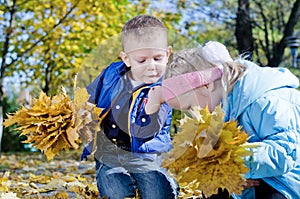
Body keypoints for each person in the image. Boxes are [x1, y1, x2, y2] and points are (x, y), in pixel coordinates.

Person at [156, 41, 300, 199]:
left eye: (191, 106)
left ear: (206, 86)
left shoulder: (266, 101)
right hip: (262, 177)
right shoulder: (224, 111)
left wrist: (233, 164)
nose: (193, 113)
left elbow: (285, 153)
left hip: (288, 182)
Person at [80, 15, 179, 199]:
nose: (151, 66)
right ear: (126, 58)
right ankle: (125, 181)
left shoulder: (165, 87)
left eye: (157, 58)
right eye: (141, 60)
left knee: (157, 193)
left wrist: (153, 105)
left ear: (167, 54)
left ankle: (168, 183)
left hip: (146, 154)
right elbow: (87, 98)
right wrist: (77, 112)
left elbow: (149, 130)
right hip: (109, 152)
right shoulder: (111, 73)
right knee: (115, 192)